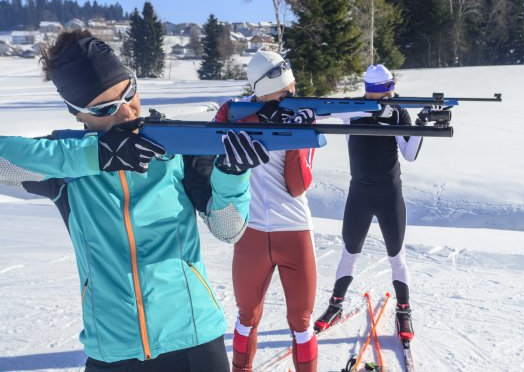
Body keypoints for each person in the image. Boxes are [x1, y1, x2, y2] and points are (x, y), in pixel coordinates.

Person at [0, 29, 270, 372]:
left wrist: (232, 175)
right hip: (112, 352)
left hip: (194, 342)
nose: (127, 112)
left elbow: (228, 229)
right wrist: (95, 156)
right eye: (106, 108)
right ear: (77, 113)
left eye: (129, 92)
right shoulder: (62, 164)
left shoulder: (177, 149)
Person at [214, 49, 318, 372]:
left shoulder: (302, 116)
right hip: (251, 232)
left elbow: (297, 184)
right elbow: (210, 143)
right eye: (285, 91)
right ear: (263, 92)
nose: (293, 95)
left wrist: (296, 136)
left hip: (295, 230)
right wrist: (258, 120)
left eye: (294, 88)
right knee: (246, 317)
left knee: (301, 322)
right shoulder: (234, 113)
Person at [314, 64, 427, 342]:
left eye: (391, 88)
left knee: (396, 256)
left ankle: (404, 310)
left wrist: (421, 124)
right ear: (374, 89)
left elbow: (410, 154)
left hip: (389, 193)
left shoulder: (399, 111)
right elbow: (320, 111)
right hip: (360, 194)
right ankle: (335, 306)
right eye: (387, 89)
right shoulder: (353, 109)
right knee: (349, 252)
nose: (390, 93)